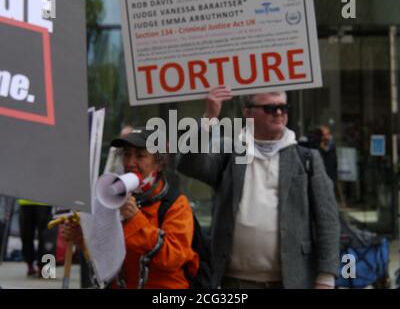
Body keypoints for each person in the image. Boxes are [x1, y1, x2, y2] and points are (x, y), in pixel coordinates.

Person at [177, 86, 340, 289]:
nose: (279, 113)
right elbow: (189, 164)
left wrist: (326, 277)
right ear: (247, 111)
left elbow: (328, 220)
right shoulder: (230, 152)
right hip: (234, 283)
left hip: (292, 282)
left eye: (283, 107)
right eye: (270, 108)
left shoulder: (306, 158)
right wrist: (209, 119)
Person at [63, 128, 199, 289]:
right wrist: (81, 238)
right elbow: (107, 254)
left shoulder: (176, 205)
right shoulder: (113, 198)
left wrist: (135, 219)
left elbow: (172, 258)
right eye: (126, 154)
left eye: (140, 156)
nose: (130, 163)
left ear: (159, 164)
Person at [17, 199, 52, 277]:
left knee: (45, 236)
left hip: (44, 200)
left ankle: (42, 266)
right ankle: (30, 265)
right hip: (26, 200)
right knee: (26, 234)